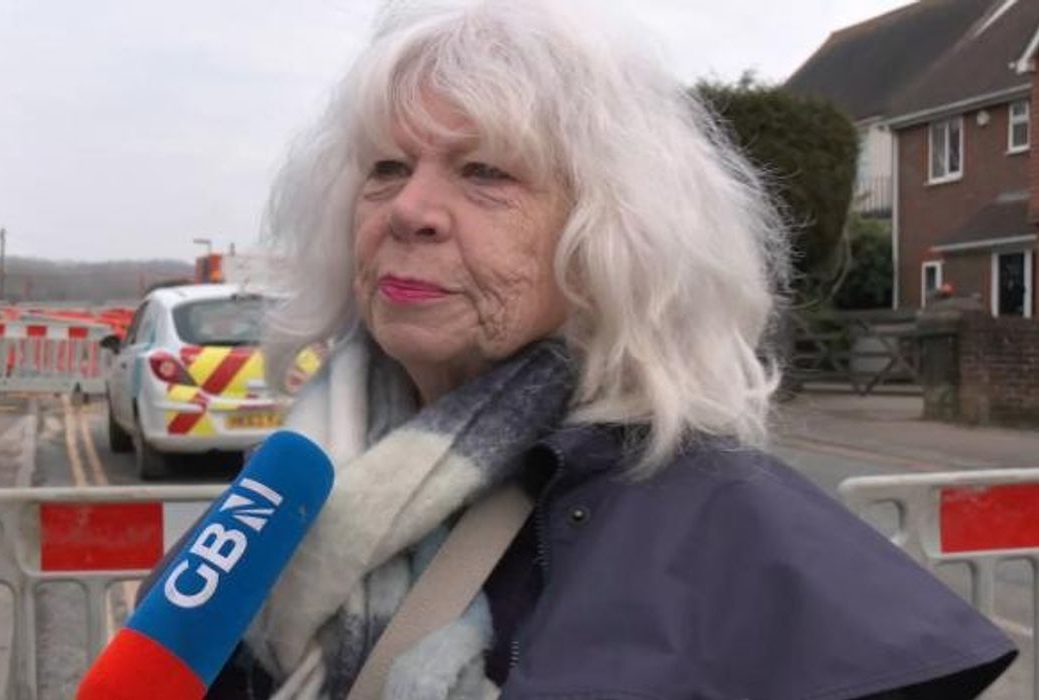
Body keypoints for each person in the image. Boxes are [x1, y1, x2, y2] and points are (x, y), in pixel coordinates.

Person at [155, 0, 1017, 697]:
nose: (408, 210)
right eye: (385, 168)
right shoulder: (290, 480)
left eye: (485, 172)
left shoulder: (746, 539)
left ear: (612, 239)